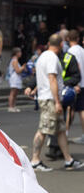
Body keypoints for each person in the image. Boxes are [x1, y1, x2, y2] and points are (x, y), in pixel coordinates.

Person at [28, 34, 83, 172]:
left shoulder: (43, 56)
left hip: (48, 97)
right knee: (43, 129)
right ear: (60, 45)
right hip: (50, 100)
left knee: (60, 131)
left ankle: (68, 160)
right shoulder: (52, 58)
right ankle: (34, 160)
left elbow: (41, 77)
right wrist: (57, 102)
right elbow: (52, 79)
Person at [66, 29, 84, 145]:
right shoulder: (82, 50)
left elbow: (69, 68)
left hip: (75, 84)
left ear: (68, 39)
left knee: (69, 110)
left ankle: (65, 134)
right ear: (77, 38)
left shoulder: (70, 52)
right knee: (82, 110)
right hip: (83, 83)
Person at [7, 47, 26, 112]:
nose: (21, 54)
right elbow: (17, 70)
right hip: (14, 78)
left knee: (15, 93)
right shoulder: (14, 60)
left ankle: (13, 106)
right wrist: (23, 67)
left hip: (17, 78)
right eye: (19, 52)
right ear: (16, 53)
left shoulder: (15, 60)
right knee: (13, 93)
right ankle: (10, 106)